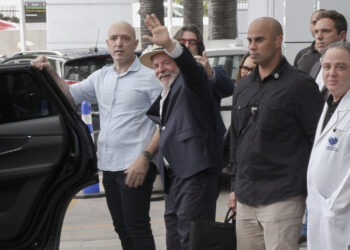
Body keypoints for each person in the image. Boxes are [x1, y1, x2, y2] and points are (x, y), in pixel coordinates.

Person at [31, 21, 162, 250]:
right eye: (114, 38)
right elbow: (71, 96)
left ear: (135, 43)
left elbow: (167, 122)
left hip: (136, 164)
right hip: (109, 167)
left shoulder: (151, 78)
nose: (118, 43)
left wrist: (145, 158)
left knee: (137, 227)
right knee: (122, 228)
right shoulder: (101, 77)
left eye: (124, 38)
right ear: (108, 43)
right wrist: (50, 71)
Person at [228, 17, 324, 250]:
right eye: (250, 40)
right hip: (246, 196)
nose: (252, 45)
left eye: (259, 39)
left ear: (278, 41)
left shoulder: (300, 85)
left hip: (283, 196)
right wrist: (234, 185)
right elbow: (236, 140)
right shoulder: (242, 86)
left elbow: (316, 142)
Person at [139, 14, 223, 250]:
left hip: (195, 173)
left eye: (166, 62)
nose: (160, 69)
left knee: (193, 240)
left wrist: (170, 45)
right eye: (155, 66)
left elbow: (192, 70)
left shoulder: (190, 83)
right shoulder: (165, 94)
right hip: (174, 176)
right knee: (174, 239)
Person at [307, 41, 350, 250]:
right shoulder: (329, 104)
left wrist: (335, 205)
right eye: (327, 66)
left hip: (341, 215)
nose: (332, 73)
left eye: (341, 67)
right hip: (320, 211)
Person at [173, 24, 234, 139]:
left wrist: (210, 73)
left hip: (207, 141)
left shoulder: (213, 71)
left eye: (192, 42)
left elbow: (229, 88)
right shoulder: (167, 75)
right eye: (182, 41)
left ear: (199, 47)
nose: (186, 46)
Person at [310, 10, 347, 99]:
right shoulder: (316, 66)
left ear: (342, 36)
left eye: (325, 31)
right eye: (316, 32)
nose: (319, 37)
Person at [294, 9, 326, 74]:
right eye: (315, 22)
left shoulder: (343, 54)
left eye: (322, 22)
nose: (318, 26)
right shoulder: (301, 55)